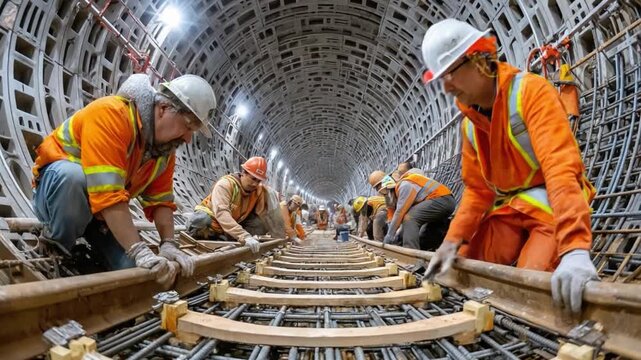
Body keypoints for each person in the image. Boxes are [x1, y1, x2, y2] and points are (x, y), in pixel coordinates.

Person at [420, 19, 598, 313]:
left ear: (479, 60)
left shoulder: (531, 92)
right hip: (511, 208)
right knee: (468, 266)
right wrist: (450, 243)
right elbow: (477, 192)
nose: (447, 86)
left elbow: (559, 168)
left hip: (551, 208)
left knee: (528, 286)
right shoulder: (469, 126)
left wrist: (575, 248)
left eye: (450, 72)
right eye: (440, 77)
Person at [32, 73, 211, 283]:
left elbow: (161, 202)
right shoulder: (111, 115)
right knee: (75, 177)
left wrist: (168, 244)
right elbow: (107, 192)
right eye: (188, 127)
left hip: (98, 214)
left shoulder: (164, 152)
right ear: (163, 109)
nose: (188, 139)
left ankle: (85, 255)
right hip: (59, 194)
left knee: (136, 273)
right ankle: (55, 248)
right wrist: (139, 249)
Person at [187, 156, 272, 253]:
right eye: (253, 179)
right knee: (202, 219)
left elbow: (265, 214)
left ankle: (222, 238)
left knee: (260, 223)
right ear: (243, 173)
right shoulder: (225, 185)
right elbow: (221, 213)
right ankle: (195, 235)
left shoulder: (256, 192)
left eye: (258, 181)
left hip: (225, 228)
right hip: (210, 222)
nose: (255, 184)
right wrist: (244, 236)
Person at [369, 171, 455, 250]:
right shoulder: (392, 193)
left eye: (379, 186)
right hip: (436, 202)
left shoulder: (404, 185)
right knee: (417, 230)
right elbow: (392, 214)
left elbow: (400, 212)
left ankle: (411, 254)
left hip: (442, 200)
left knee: (409, 218)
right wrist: (393, 231)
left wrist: (390, 235)